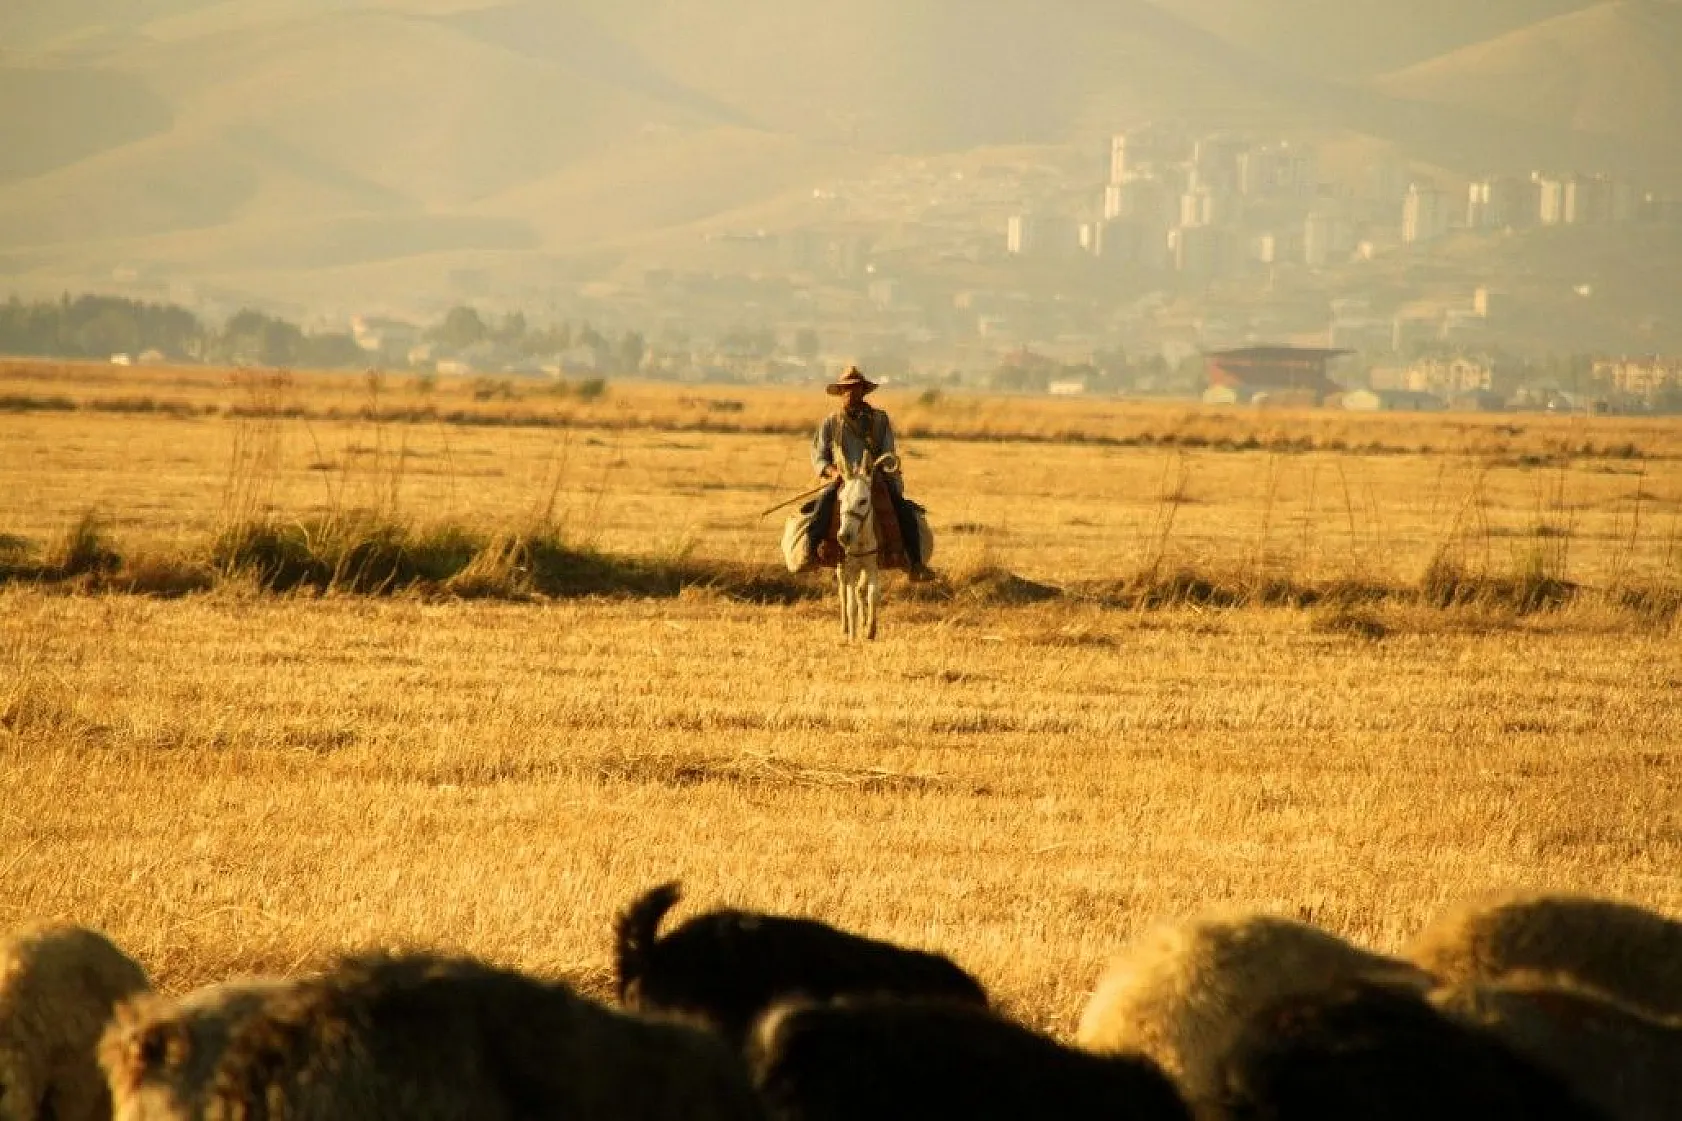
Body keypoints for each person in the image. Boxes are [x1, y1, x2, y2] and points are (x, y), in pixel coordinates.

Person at [807, 365, 930, 578]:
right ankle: (810, 555)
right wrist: (831, 471)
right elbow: (818, 456)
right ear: (840, 393)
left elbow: (888, 451)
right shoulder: (830, 423)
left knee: (903, 510)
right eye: (846, 389)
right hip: (841, 479)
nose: (850, 393)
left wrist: (878, 469)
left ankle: (915, 564)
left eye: (855, 388)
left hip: (874, 478)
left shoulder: (880, 419)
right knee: (822, 508)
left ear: (863, 390)